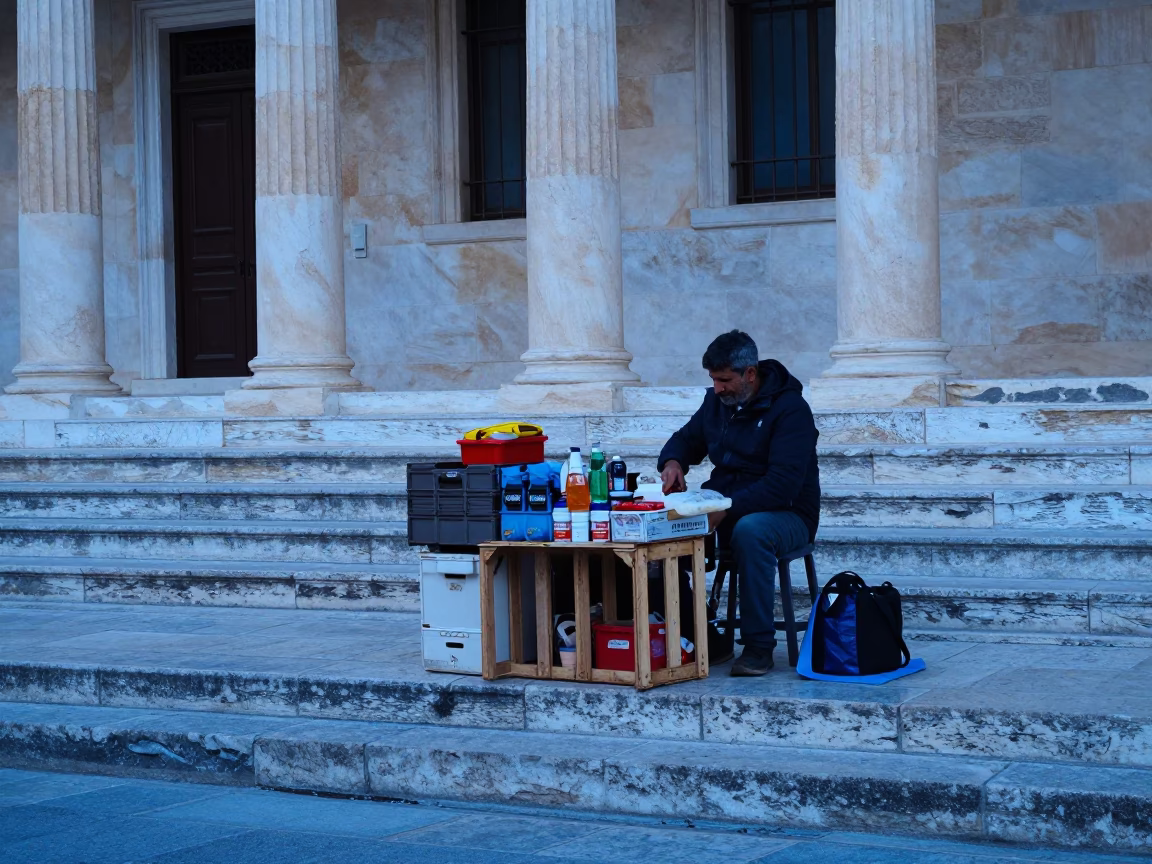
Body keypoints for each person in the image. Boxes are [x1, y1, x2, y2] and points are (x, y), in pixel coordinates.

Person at [658, 330, 820, 676]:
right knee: (663, 525)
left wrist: (726, 508)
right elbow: (686, 440)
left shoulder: (792, 411)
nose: (717, 388)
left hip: (787, 514)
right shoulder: (716, 404)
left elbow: (782, 486)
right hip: (725, 504)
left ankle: (758, 647)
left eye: (724, 380)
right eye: (713, 380)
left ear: (750, 374)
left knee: (751, 530)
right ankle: (697, 633)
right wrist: (672, 462)